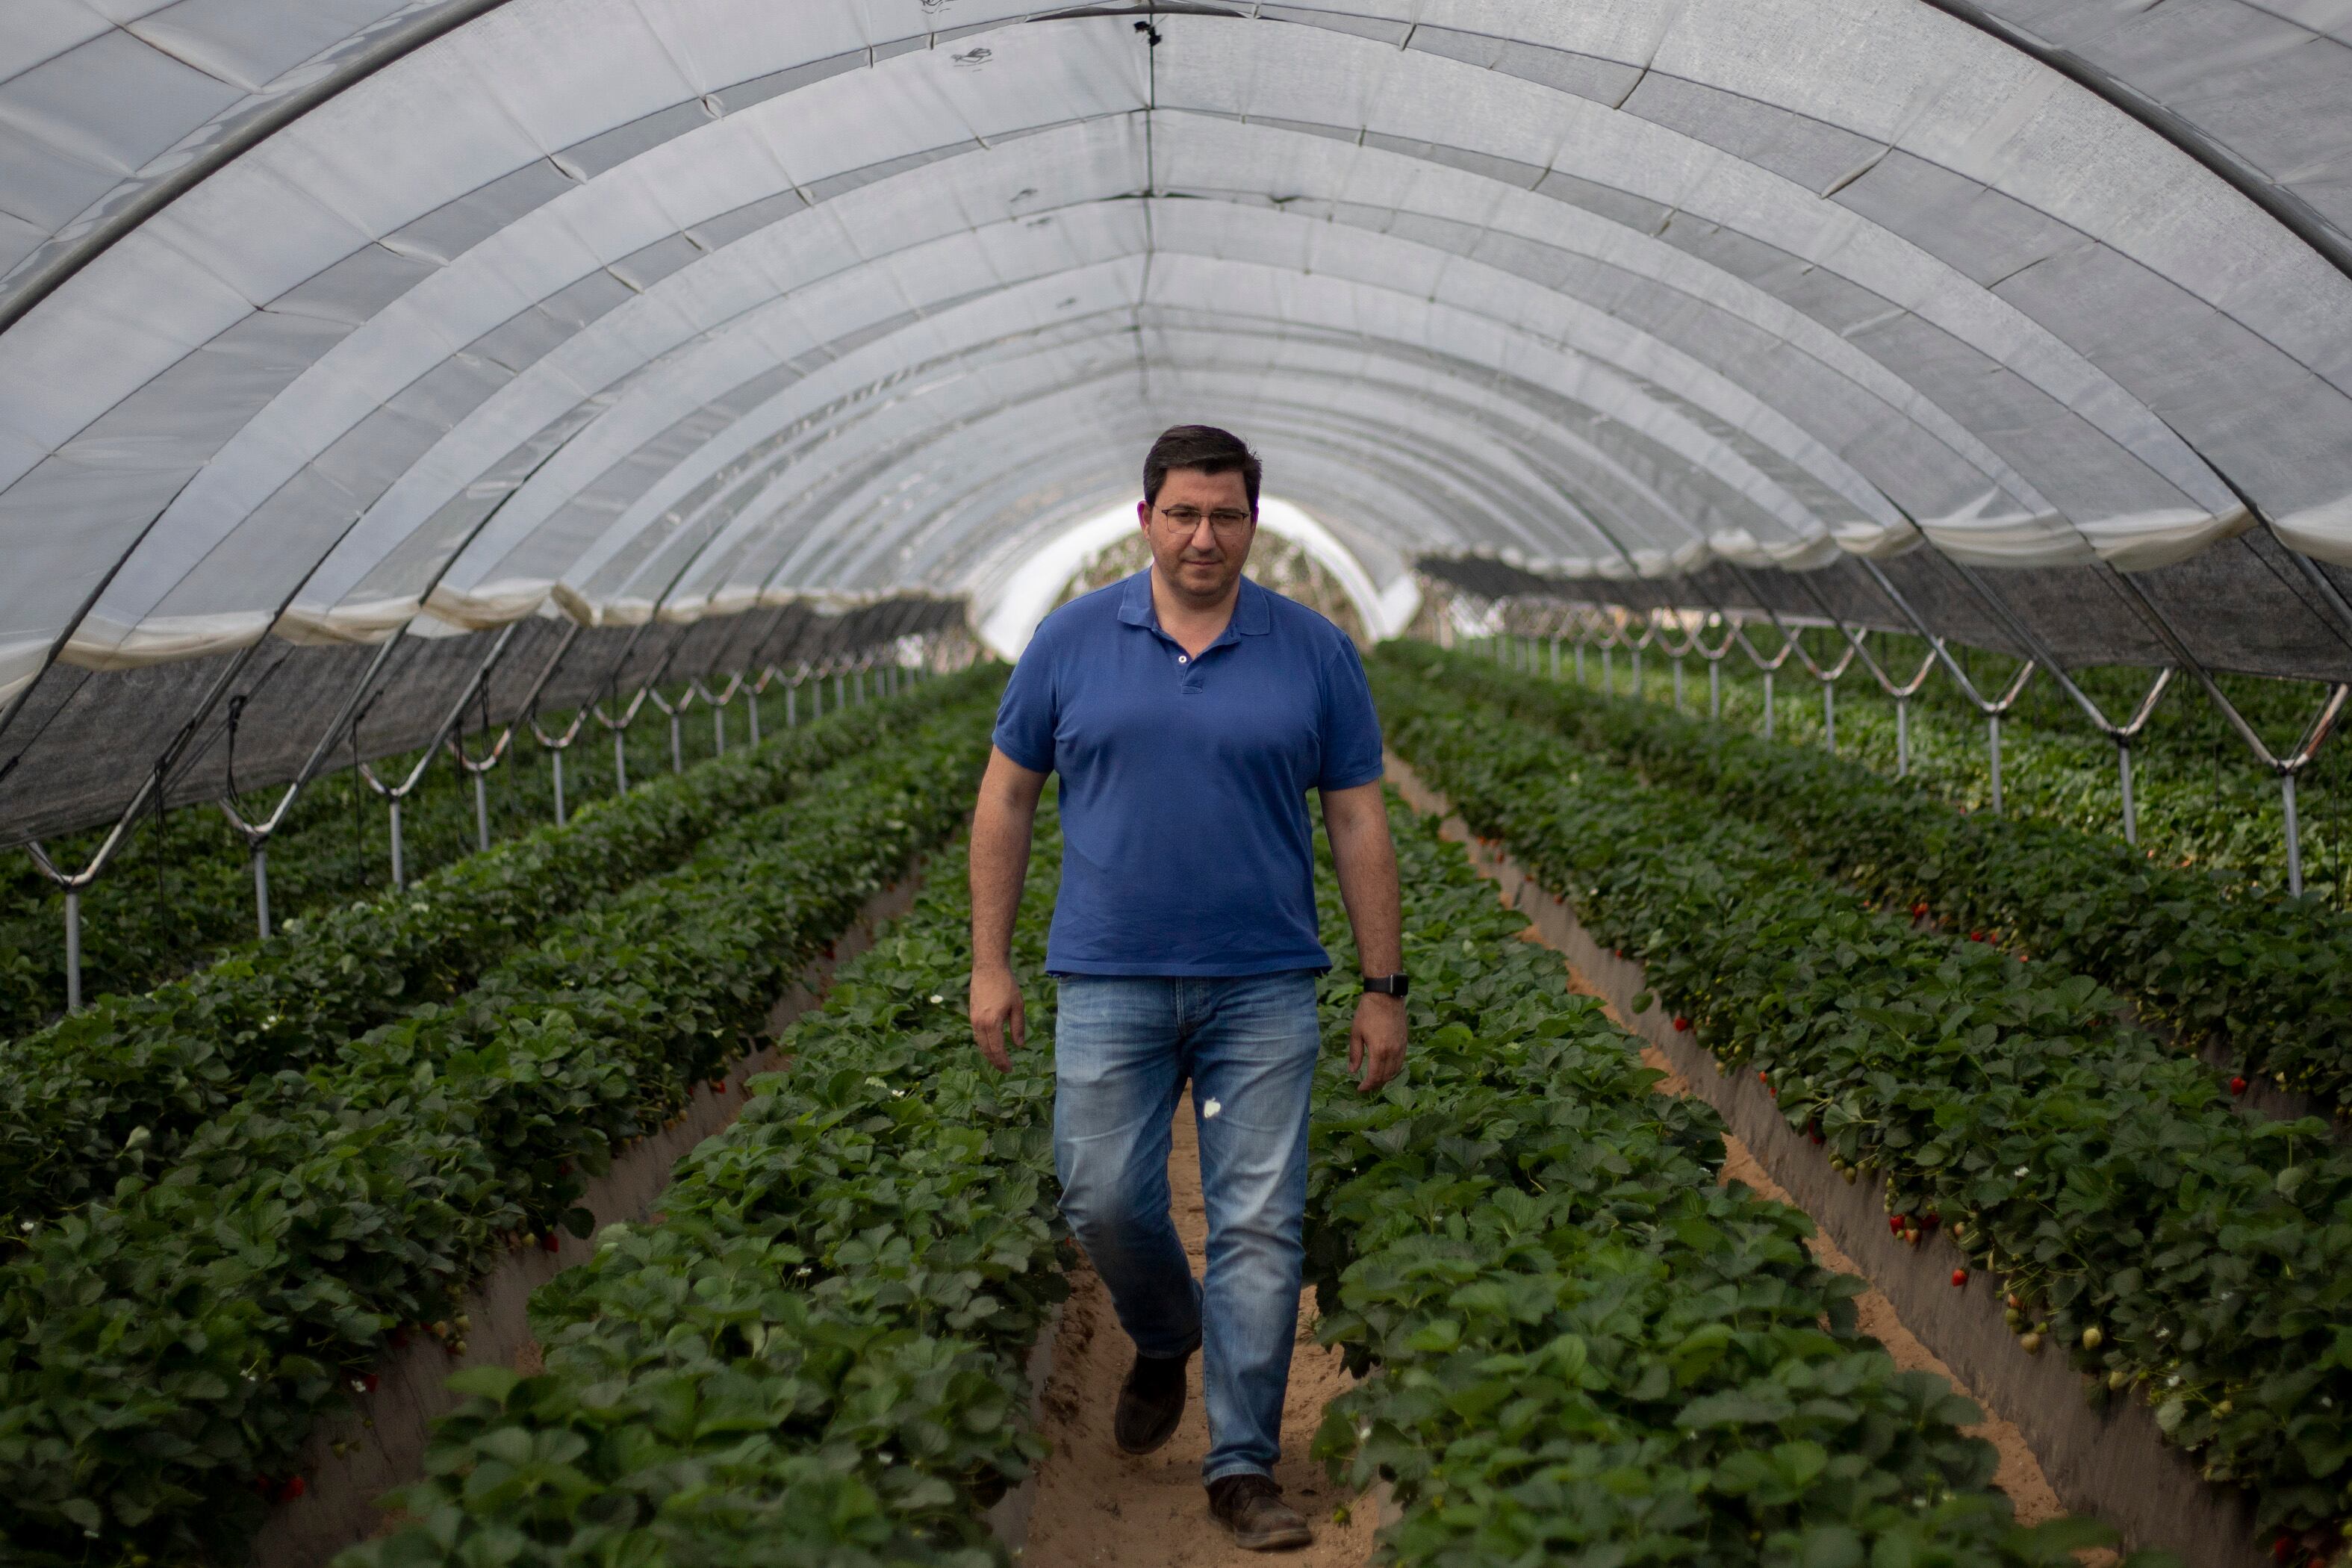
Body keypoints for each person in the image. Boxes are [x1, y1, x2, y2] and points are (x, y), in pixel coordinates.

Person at [968, 424, 1407, 1551]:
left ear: (1252, 522)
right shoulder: (1069, 641)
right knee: (1101, 1197)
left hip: (1263, 981)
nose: (1203, 534)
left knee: (1258, 1224)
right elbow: (1006, 799)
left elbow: (1357, 815)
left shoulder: (1312, 651)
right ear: (1146, 518)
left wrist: (1381, 983)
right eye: (1182, 513)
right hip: (1106, 975)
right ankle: (1163, 1334)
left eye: (1224, 515)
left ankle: (1242, 1466)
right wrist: (990, 960)